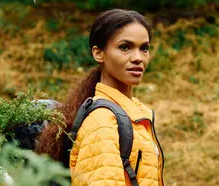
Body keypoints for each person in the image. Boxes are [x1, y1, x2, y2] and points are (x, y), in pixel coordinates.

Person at [35, 9, 164, 186]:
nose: (138, 58)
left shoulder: (134, 112)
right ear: (98, 53)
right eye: (125, 47)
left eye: (144, 48)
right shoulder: (103, 121)